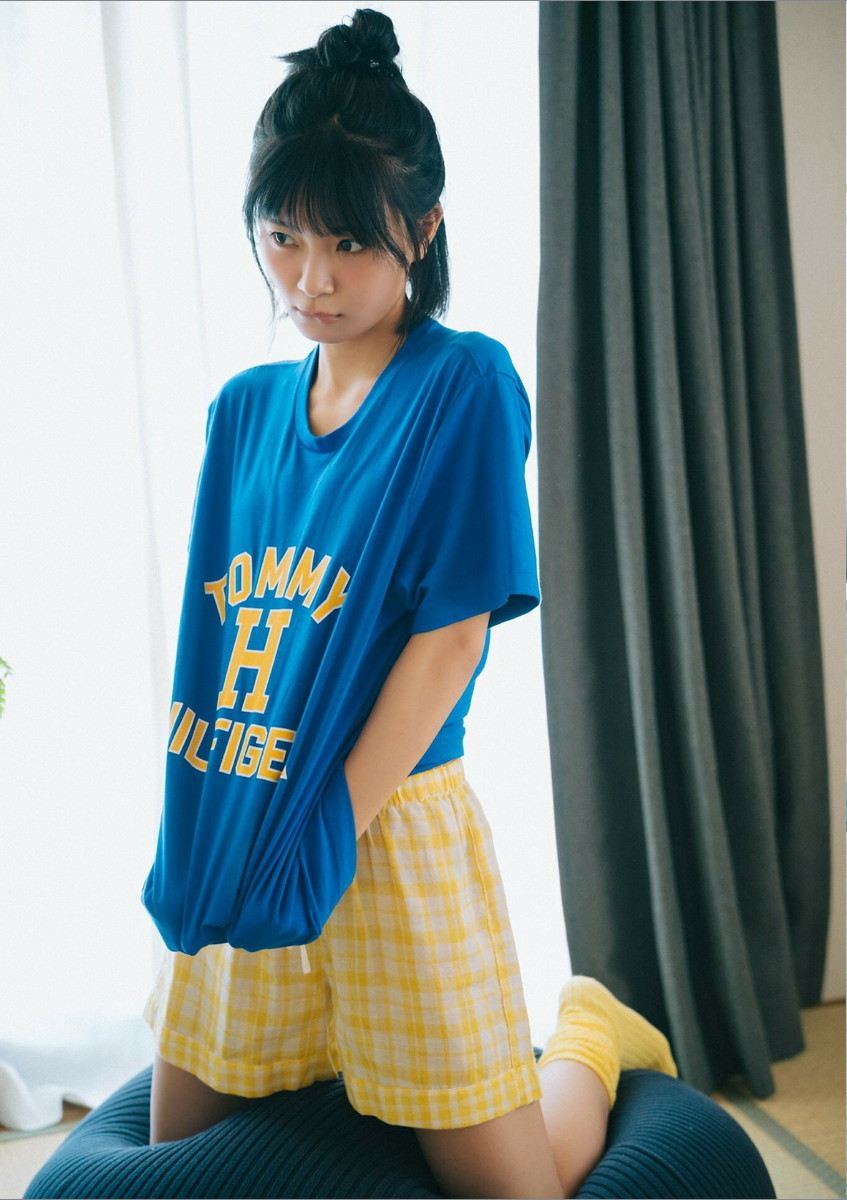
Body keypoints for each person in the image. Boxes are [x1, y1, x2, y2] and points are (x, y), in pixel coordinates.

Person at [141, 8, 679, 1196]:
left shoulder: (462, 385)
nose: (310, 279)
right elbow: (212, 641)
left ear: (421, 229)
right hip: (253, 803)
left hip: (386, 824)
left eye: (348, 242)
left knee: (518, 1186)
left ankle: (588, 1035)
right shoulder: (243, 412)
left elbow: (446, 646)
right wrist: (209, 828)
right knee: (171, 1158)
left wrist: (323, 838)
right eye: (283, 236)